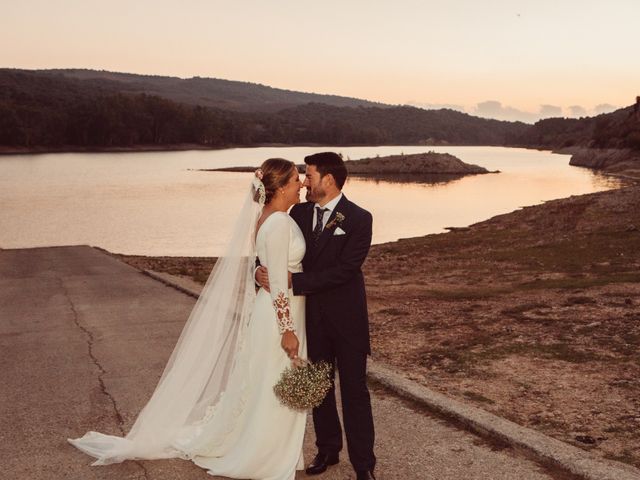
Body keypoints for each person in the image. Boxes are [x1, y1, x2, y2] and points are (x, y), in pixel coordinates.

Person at [69, 158, 308, 480]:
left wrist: (260, 275)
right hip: (282, 314)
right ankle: (264, 452)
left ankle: (269, 445)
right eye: (296, 179)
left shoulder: (268, 218)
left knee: (266, 381)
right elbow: (278, 283)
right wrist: (287, 330)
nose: (302, 183)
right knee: (273, 382)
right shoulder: (278, 222)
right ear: (279, 187)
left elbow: (266, 266)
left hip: (277, 311)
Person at [256, 152, 376, 480]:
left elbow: (346, 270)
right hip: (312, 319)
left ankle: (364, 465)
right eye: (304, 177)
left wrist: (295, 281)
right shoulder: (298, 211)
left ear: (329, 179)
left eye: (309, 175)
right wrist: (259, 273)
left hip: (347, 320)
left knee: (354, 392)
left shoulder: (360, 218)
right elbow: (270, 249)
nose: (305, 182)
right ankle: (328, 450)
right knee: (319, 390)